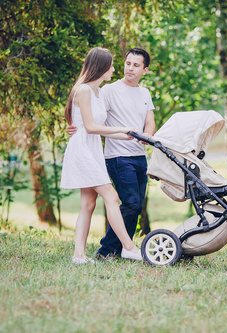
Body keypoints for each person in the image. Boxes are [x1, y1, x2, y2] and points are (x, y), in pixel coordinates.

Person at [68, 48, 155, 261]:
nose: (124, 68)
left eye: (135, 65)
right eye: (126, 63)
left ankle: (80, 255)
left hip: (122, 152)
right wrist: (74, 127)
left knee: (91, 204)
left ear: (145, 70)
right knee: (117, 198)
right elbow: (88, 122)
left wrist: (144, 136)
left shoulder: (98, 90)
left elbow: (86, 118)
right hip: (109, 154)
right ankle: (123, 247)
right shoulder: (103, 90)